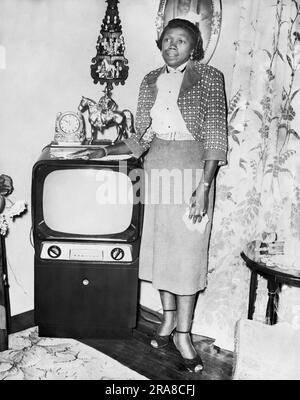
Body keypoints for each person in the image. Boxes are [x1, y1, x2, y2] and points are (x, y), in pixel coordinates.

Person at [73, 18, 227, 373]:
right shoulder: (148, 80)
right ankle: (169, 320)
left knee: (187, 256)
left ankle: (184, 335)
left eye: (182, 40)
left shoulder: (209, 77)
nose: (173, 45)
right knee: (159, 250)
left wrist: (203, 189)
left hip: (192, 173)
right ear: (161, 43)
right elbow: (140, 136)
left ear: (194, 47)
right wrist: (103, 151)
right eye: (168, 39)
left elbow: (217, 138)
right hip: (156, 170)